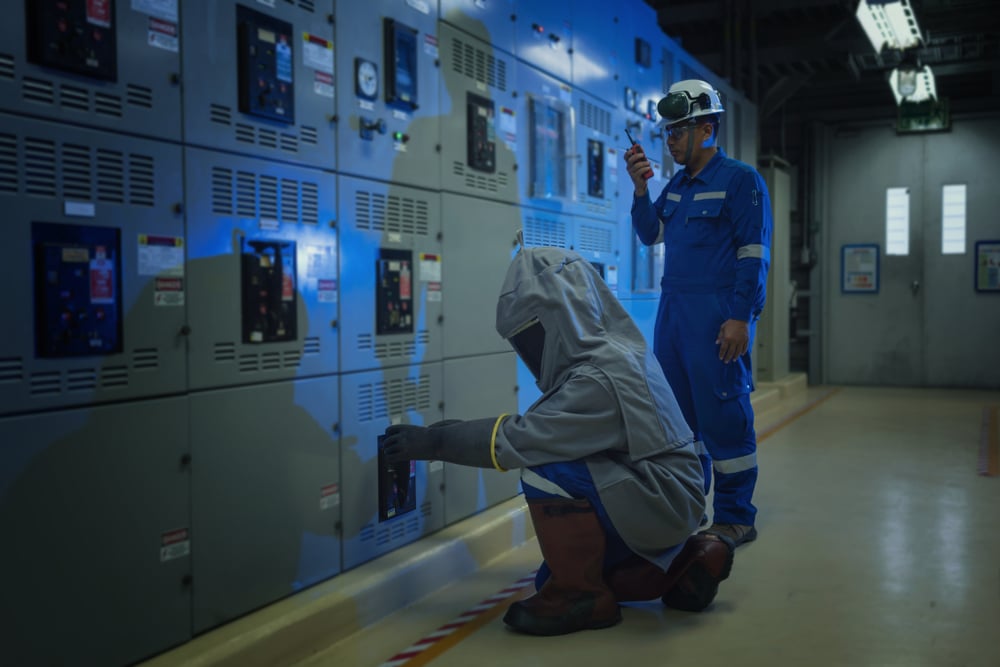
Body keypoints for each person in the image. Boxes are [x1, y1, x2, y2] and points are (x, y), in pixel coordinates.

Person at [381, 245, 735, 636]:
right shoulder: (620, 354)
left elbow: (522, 439)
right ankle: (687, 562)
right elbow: (551, 427)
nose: (531, 350)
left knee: (544, 468)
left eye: (531, 336)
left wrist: (435, 443)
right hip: (669, 494)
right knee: (549, 576)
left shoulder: (597, 379)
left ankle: (581, 597)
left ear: (560, 319)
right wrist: (446, 434)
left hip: (662, 501)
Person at [625, 79, 773, 548]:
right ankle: (688, 507)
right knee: (679, 423)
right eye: (667, 132)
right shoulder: (677, 186)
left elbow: (753, 255)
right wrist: (640, 190)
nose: (669, 140)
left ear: (707, 130)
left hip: (716, 318)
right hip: (673, 317)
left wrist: (741, 318)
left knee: (724, 416)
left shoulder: (741, 181)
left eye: (678, 131)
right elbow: (650, 234)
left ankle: (735, 516)